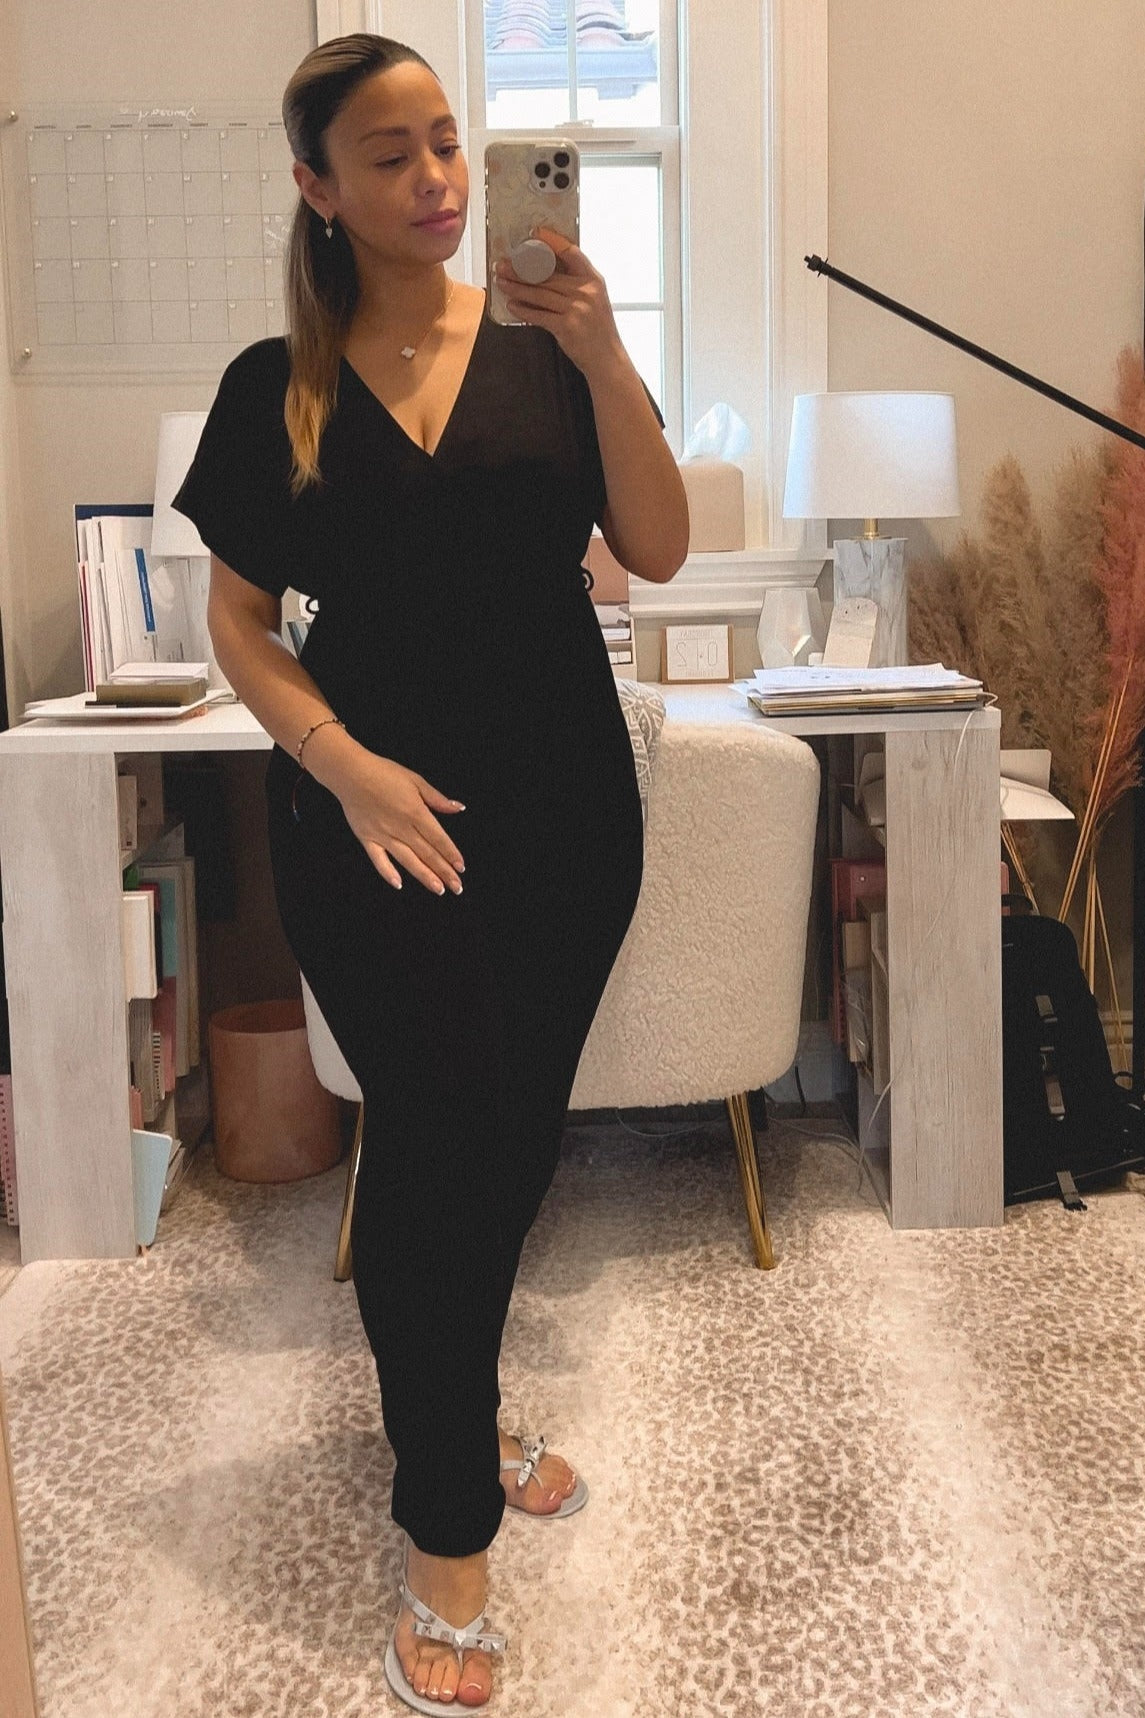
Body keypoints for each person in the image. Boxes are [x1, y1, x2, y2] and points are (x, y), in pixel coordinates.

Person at [172, 32, 688, 1713]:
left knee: (512, 1143)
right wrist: (343, 764)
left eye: (449, 143)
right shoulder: (276, 383)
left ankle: (451, 1402)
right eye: (389, 155)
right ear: (317, 186)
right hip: (369, 820)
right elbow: (239, 622)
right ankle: (445, 1529)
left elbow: (657, 548)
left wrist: (605, 349)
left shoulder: (547, 353)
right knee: (427, 1153)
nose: (438, 180)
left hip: (563, 812)